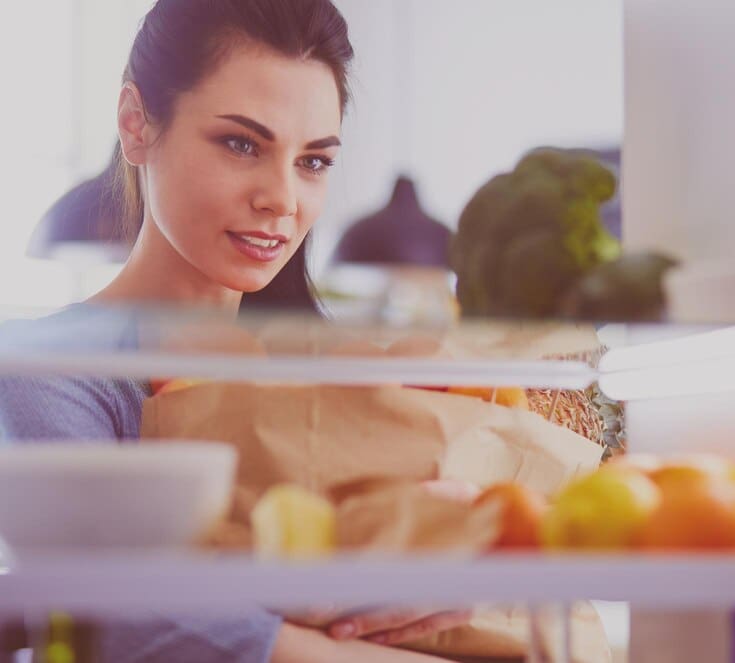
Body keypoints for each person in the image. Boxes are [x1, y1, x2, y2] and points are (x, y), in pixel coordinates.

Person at [0, 1, 469, 661]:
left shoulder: (339, 374)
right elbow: (116, 618)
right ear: (136, 125)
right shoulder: (46, 372)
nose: (282, 197)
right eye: (242, 143)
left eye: (312, 161)